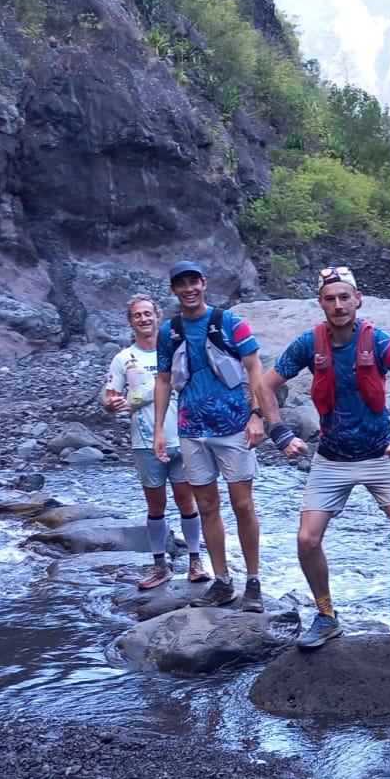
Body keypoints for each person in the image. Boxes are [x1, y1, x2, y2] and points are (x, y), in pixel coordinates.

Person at [257, 266, 390, 650]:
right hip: (332, 458)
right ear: (320, 303)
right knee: (307, 540)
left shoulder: (380, 342)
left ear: (358, 300)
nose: (338, 305)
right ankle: (326, 616)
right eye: (330, 298)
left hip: (380, 455)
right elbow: (265, 386)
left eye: (344, 297)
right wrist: (279, 432)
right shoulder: (308, 343)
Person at [152, 260, 269, 612]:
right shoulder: (168, 332)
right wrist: (159, 429)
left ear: (204, 283)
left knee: (243, 505)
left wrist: (257, 415)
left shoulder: (229, 322)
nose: (188, 289)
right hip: (191, 430)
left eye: (193, 282)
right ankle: (222, 581)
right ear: (174, 290)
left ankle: (252, 581)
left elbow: (254, 367)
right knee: (206, 506)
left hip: (233, 428)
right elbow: (162, 380)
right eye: (181, 284)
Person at [104, 295, 208, 589]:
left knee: (186, 500)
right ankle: (159, 566)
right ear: (131, 321)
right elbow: (110, 396)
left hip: (183, 437)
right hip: (145, 441)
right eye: (138, 315)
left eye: (148, 314)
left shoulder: (174, 350)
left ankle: (195, 562)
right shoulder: (123, 358)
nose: (144, 319)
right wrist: (111, 404)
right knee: (156, 504)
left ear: (157, 317)